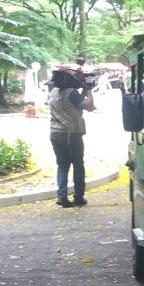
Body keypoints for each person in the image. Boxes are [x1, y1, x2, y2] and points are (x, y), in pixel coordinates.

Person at [48, 60, 95, 207]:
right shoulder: (71, 93)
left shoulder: (53, 92)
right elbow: (89, 106)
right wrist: (89, 89)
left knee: (62, 165)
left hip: (55, 133)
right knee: (78, 165)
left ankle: (62, 196)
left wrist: (84, 89)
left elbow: (74, 105)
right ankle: (78, 197)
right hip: (70, 134)